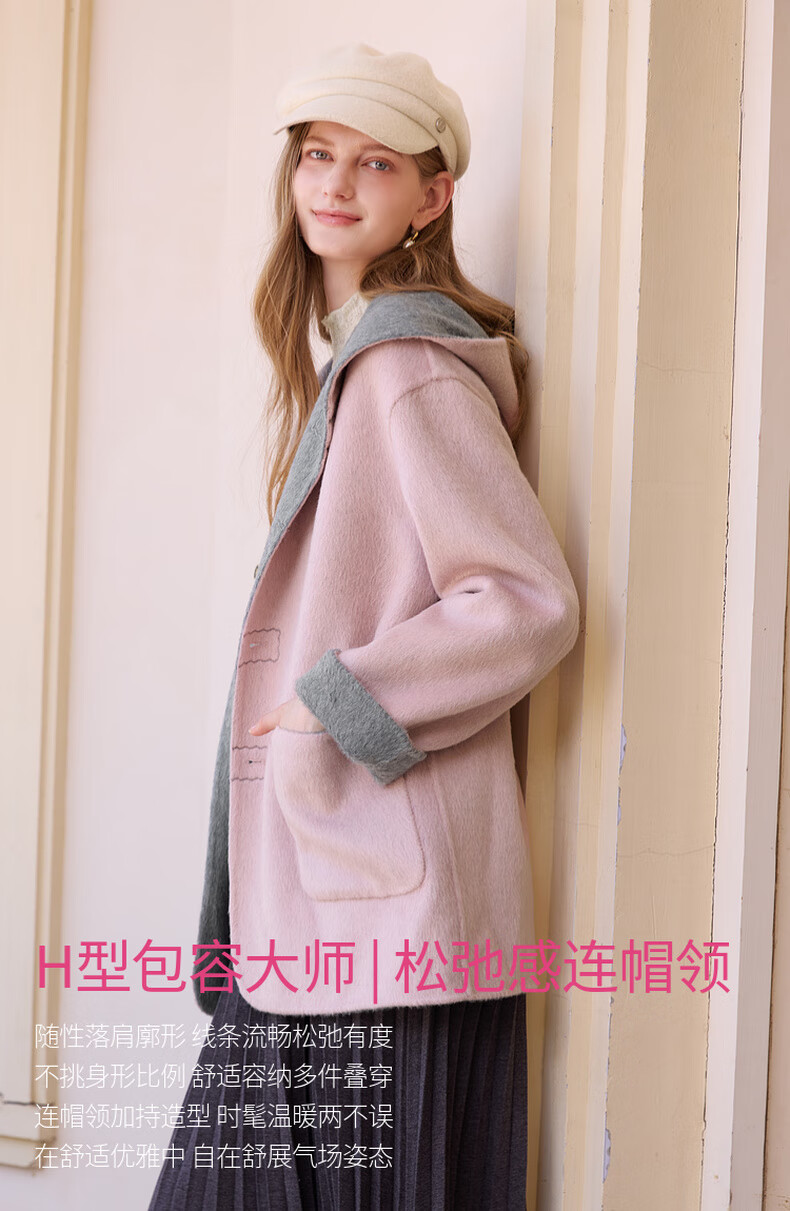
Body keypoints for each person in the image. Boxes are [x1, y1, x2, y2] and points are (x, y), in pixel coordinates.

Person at [147, 41, 580, 1211]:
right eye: (317, 155)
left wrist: (328, 706)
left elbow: (524, 600)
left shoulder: (405, 369)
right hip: (339, 889)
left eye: (375, 163)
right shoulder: (352, 362)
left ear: (432, 197)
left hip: (377, 901)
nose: (334, 184)